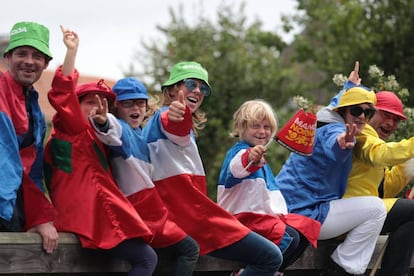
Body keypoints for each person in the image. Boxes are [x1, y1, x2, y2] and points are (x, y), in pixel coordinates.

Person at [142, 61, 283, 276]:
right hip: (189, 218)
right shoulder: (167, 117)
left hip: (183, 216)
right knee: (271, 257)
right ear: (172, 90)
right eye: (191, 84)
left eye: (203, 88)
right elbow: (173, 123)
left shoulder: (161, 124)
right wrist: (176, 115)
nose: (198, 91)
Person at [44, 26, 157, 275]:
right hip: (91, 218)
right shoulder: (73, 128)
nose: (96, 108)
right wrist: (71, 51)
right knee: (146, 259)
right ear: (74, 107)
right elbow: (62, 91)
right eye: (89, 102)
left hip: (90, 218)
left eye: (102, 103)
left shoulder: (96, 136)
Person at [275, 62, 387, 275]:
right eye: (356, 110)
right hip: (304, 212)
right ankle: (341, 271)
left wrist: (349, 86)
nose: (362, 117)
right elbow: (333, 144)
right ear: (344, 110)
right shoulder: (334, 130)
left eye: (368, 113)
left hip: (286, 205)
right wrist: (343, 144)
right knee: (376, 209)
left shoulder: (325, 116)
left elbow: (336, 104)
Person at [91, 77, 200, 276]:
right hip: (139, 215)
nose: (136, 108)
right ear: (116, 107)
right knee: (188, 249)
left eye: (140, 103)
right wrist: (103, 121)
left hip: (148, 214)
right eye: (128, 103)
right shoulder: (123, 129)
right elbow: (110, 130)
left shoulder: (140, 132)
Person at [217, 99, 321, 274]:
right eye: (255, 126)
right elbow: (238, 166)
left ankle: (271, 271)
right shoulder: (240, 152)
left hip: (260, 219)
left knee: (304, 231)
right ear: (241, 128)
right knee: (288, 237)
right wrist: (251, 157)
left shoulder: (262, 161)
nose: (262, 131)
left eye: (266, 127)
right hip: (242, 220)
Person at [0, 21, 58, 253]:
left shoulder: (35, 111)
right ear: (7, 58)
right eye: (21, 53)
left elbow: (31, 172)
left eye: (37, 55)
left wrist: (38, 218)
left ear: (46, 64)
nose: (28, 61)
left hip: (11, 208)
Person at [344, 90, 414, 276]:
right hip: (344, 211)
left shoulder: (374, 140)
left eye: (396, 120)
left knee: (409, 215)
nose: (391, 124)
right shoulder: (360, 132)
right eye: (386, 115)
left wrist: (409, 168)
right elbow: (379, 154)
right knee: (411, 210)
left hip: (365, 211)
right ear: (369, 113)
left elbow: (385, 190)